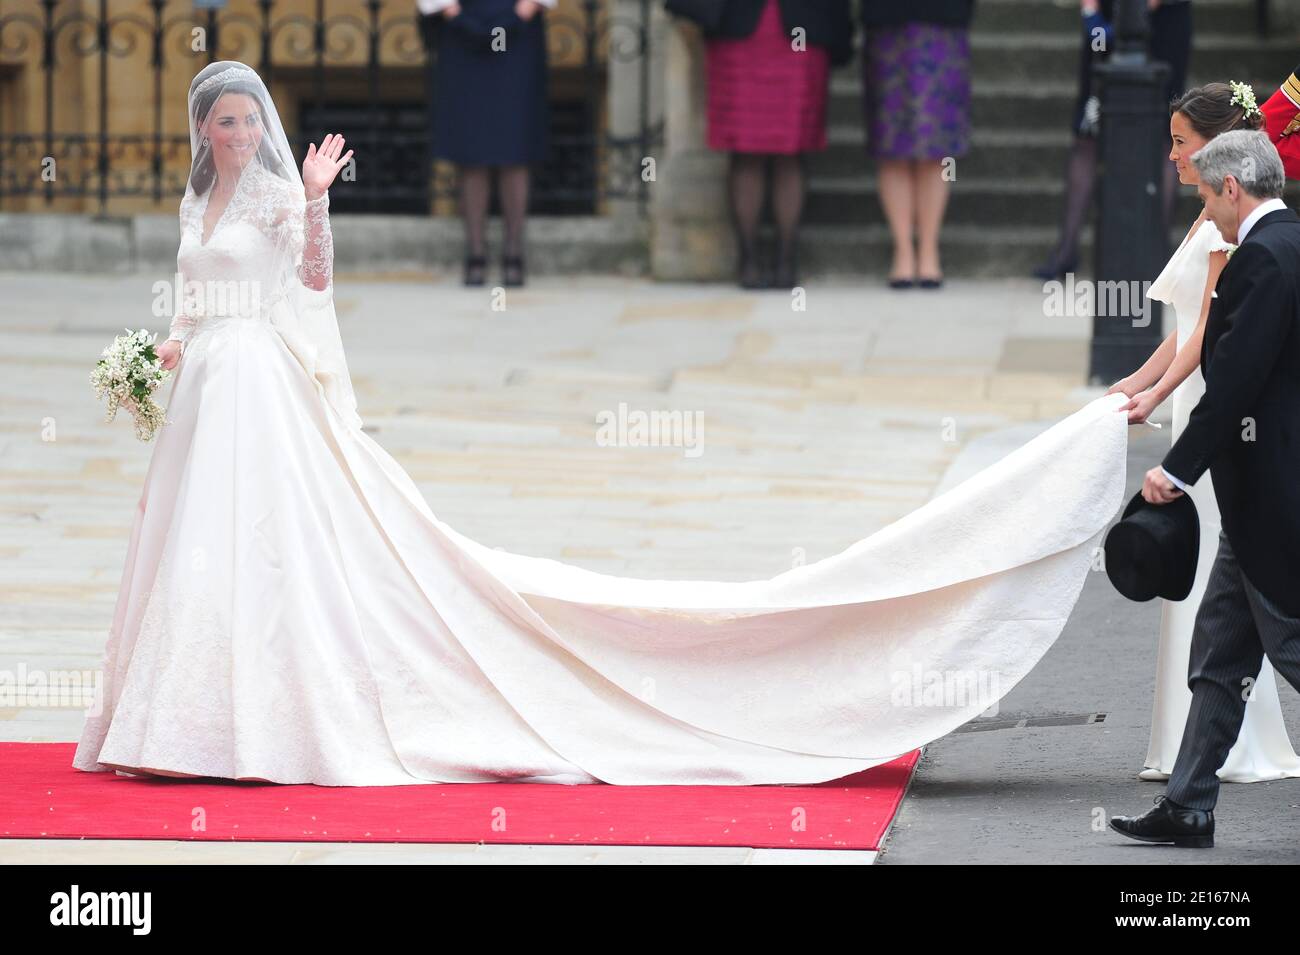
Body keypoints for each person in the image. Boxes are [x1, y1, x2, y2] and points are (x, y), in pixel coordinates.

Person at [73, 60, 1136, 788]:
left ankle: (252, 715)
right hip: (205, 383)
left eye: (248, 118)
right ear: (200, 132)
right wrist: (162, 349)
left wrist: (314, 200)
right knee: (190, 551)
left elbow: (306, 281)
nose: (237, 132)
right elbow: (191, 291)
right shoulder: (193, 203)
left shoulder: (269, 198)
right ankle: (176, 717)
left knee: (262, 549)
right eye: (223, 121)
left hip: (262, 389)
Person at [1106, 83, 1300, 787]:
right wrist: (1139, 385)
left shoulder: (1258, 251)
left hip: (1245, 462)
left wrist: (1177, 464)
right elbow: (1192, 333)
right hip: (1230, 455)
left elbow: (1227, 368)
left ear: (1228, 178)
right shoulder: (1239, 231)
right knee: (1221, 647)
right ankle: (1188, 801)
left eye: (1183, 143)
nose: (1173, 156)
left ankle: (1195, 789)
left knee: (1276, 633)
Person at [698, 0, 853, 289]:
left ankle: (786, 259)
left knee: (791, 146)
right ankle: (748, 259)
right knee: (745, 147)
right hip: (740, 28)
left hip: (802, 26)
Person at [1034, 0, 1192, 281]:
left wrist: (1140, 11)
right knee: (1088, 132)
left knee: (1165, 138)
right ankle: (1066, 249)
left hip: (1164, 21)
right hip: (1106, 19)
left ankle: (1156, 255)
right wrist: (1090, 10)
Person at [417, 0, 554, 287]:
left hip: (519, 36)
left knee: (515, 144)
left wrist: (527, 8)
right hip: (461, 33)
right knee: (472, 146)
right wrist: (447, 9)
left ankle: (514, 252)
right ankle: (475, 252)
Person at [860, 0, 976, 290]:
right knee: (891, 143)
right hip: (888, 24)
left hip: (943, 23)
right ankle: (903, 249)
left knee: (937, 144)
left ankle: (928, 249)